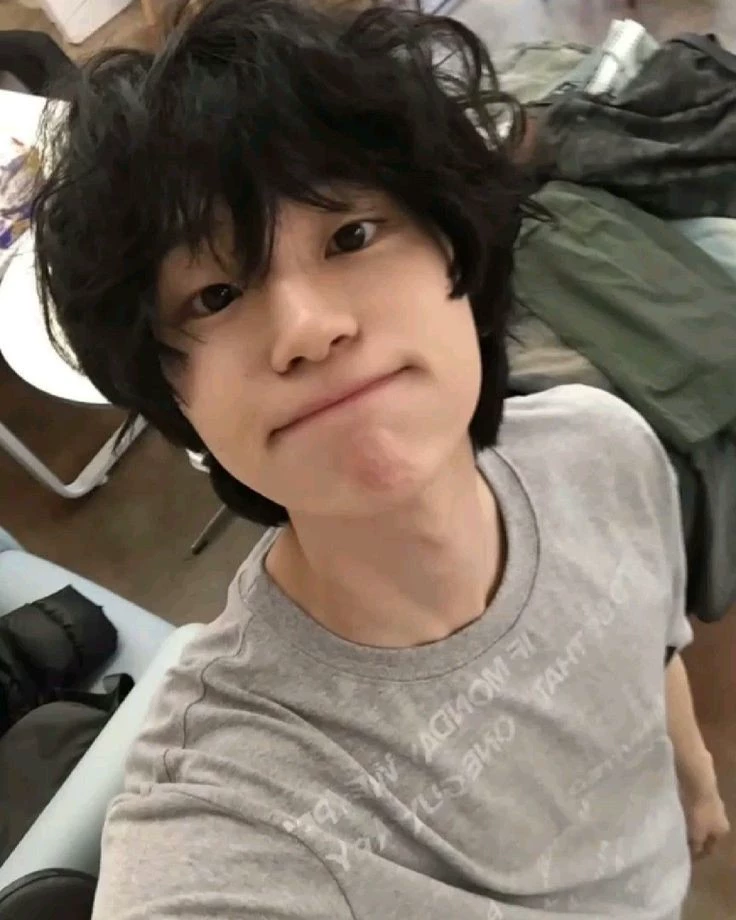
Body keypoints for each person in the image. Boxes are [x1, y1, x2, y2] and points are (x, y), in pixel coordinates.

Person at [32, 1, 729, 917]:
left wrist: (693, 775)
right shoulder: (231, 809)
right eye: (217, 295)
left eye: (351, 236)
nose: (307, 328)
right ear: (177, 402)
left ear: (457, 249)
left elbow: (648, 642)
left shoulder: (605, 445)